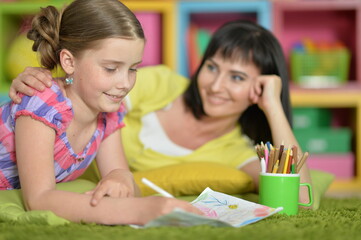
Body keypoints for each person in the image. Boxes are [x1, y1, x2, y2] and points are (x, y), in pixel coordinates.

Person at [9, 20, 312, 204]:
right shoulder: (162, 84)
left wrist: (273, 105)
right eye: (212, 67)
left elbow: (300, 196)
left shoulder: (235, 152)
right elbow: (86, 95)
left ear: (257, 88)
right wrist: (50, 81)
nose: (216, 86)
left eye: (237, 78)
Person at [0, 0, 202, 225]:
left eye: (133, 68)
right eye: (111, 68)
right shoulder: (41, 104)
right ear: (69, 62)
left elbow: (123, 178)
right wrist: (137, 211)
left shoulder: (108, 112)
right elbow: (38, 199)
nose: (125, 83)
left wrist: (120, 177)